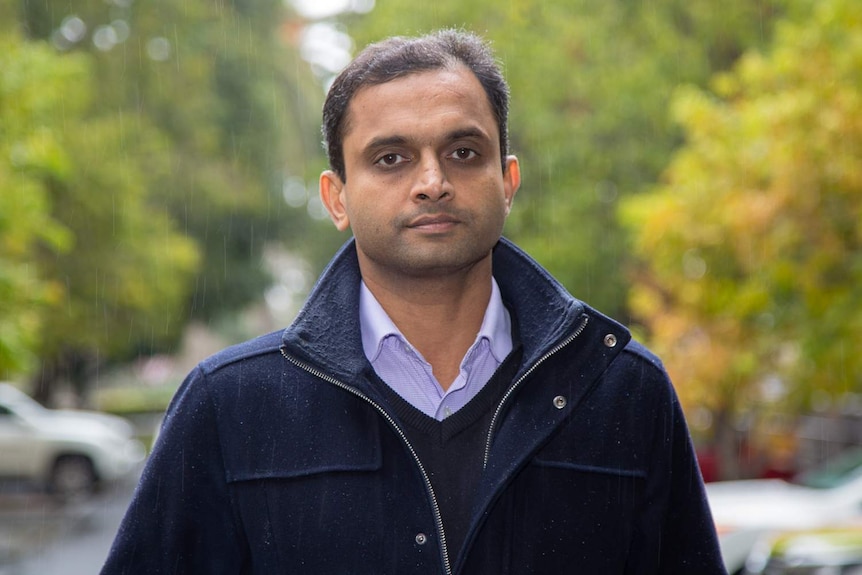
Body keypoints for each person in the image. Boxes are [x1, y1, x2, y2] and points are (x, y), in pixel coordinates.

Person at [102, 29, 726, 574]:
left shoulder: (622, 393)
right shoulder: (230, 406)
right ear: (336, 197)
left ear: (507, 182)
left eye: (463, 152)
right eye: (391, 158)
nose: (432, 182)